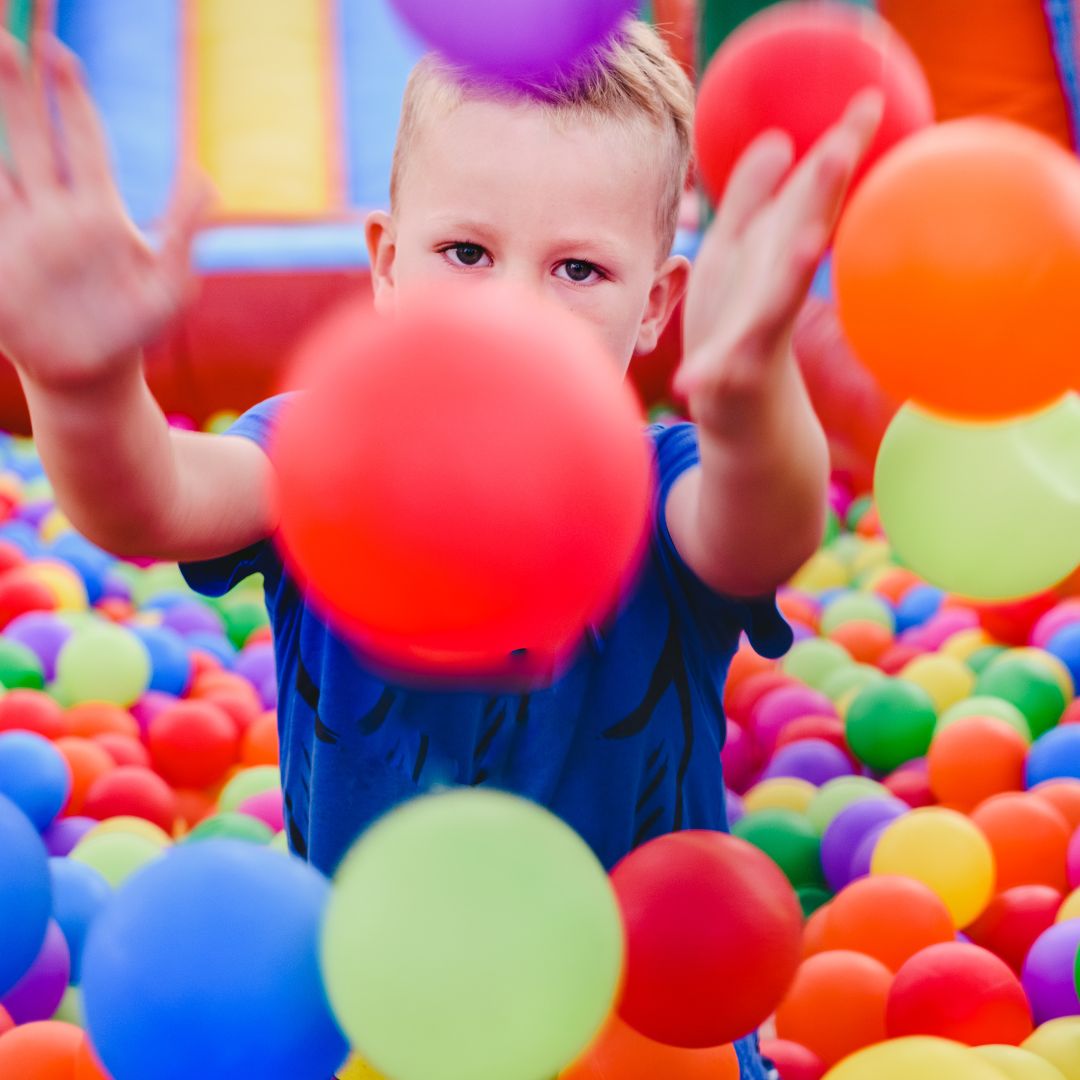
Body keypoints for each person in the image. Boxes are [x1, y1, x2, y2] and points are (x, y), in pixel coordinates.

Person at [0, 20, 879, 1078]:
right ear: (386, 265)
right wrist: (86, 386)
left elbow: (758, 534)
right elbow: (153, 503)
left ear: (656, 307)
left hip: (639, 1043)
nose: (512, 309)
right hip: (387, 1032)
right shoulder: (320, 455)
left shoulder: (670, 486)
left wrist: (750, 400)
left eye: (578, 270)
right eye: (468, 252)